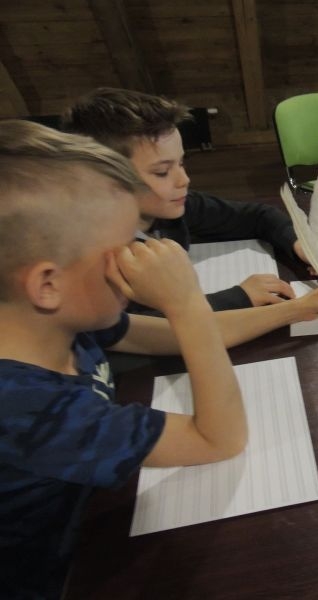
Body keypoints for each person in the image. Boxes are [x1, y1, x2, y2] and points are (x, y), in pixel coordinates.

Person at [0, 119, 248, 598]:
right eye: (124, 249)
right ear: (47, 285)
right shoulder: (30, 412)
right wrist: (186, 303)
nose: (140, 260)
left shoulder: (55, 325)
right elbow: (219, 439)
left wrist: (296, 309)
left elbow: (158, 337)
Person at [61, 87, 318, 312]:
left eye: (181, 163)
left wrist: (297, 242)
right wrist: (238, 298)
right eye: (162, 172)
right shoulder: (95, 258)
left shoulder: (172, 208)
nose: (184, 179)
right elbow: (144, 326)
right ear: (104, 180)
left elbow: (257, 216)